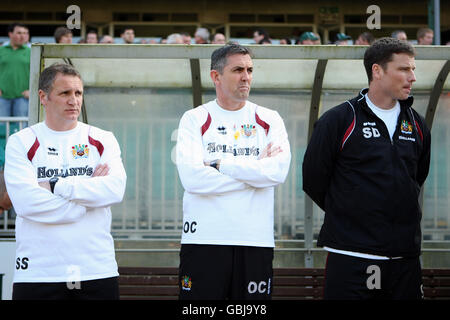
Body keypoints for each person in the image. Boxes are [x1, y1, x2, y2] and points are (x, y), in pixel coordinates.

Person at [303, 37, 431, 300]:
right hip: (352, 257)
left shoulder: (416, 124)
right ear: (377, 71)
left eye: (413, 69)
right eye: (404, 69)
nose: (412, 77)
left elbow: (417, 177)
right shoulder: (340, 119)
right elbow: (313, 179)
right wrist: (351, 212)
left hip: (404, 259)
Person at [176, 43, 291, 300]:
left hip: (255, 240)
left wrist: (221, 165)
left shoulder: (269, 118)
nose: (246, 76)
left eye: (250, 69)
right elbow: (193, 179)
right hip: (205, 240)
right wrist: (256, 176)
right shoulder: (194, 118)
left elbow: (278, 173)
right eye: (238, 69)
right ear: (216, 76)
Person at [4, 63, 127, 300]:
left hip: (95, 269)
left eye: (78, 93)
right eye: (65, 93)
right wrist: (87, 198)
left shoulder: (102, 139)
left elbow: (114, 190)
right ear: (43, 97)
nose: (74, 100)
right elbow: (27, 204)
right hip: (38, 273)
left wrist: (55, 186)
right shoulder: (20, 142)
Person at [0, 23, 30, 118]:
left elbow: (39, 73)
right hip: (2, 97)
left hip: (23, 98)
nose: (23, 36)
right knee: (2, 129)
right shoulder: (1, 50)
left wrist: (32, 90)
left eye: (25, 33)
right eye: (19, 33)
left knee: (21, 129)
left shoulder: (31, 51)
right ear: (10, 34)